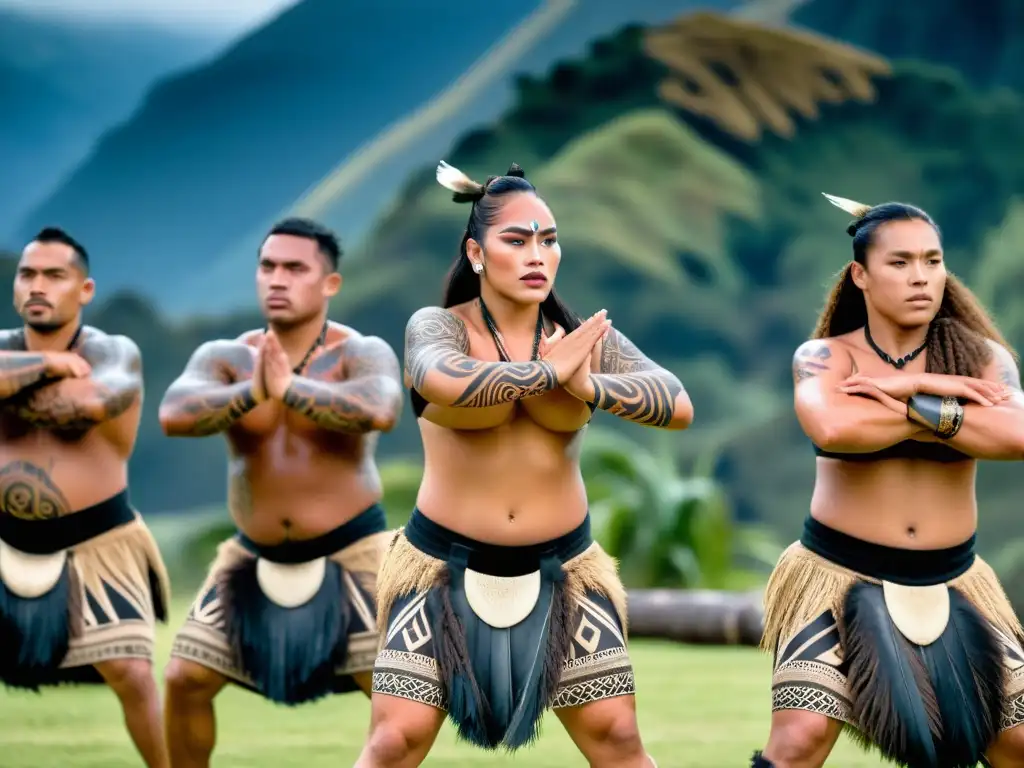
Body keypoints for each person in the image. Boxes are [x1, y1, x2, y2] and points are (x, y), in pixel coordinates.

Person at [355, 161, 693, 768]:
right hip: (439, 569)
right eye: (517, 240)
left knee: (618, 740)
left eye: (549, 239)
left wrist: (588, 386)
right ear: (476, 252)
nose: (537, 253)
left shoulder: (582, 339)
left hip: (565, 571)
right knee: (394, 741)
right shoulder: (441, 327)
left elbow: (676, 402)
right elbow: (437, 377)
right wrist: (547, 374)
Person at [752, 194, 1024, 768]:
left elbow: (1015, 437)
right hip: (835, 577)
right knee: (799, 739)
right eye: (899, 263)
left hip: (955, 580)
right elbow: (833, 426)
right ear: (861, 275)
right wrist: (947, 410)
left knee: (1019, 744)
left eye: (931, 260)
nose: (920, 277)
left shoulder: (983, 360)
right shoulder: (825, 356)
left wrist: (898, 395)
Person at [157, 217, 403, 767]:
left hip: (355, 550)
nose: (277, 279)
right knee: (183, 678)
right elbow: (173, 414)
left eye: (295, 268)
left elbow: (381, 408)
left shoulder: (360, 353)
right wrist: (255, 390)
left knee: (394, 698)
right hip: (253, 553)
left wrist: (291, 389)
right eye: (268, 266)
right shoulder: (226, 358)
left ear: (329, 284)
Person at [0, 227, 171, 767]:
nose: (37, 286)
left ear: (85, 289)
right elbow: (66, 390)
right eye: (28, 274)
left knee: (133, 674)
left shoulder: (115, 351)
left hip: (98, 540)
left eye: (55, 276)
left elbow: (92, 402)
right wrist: (48, 367)